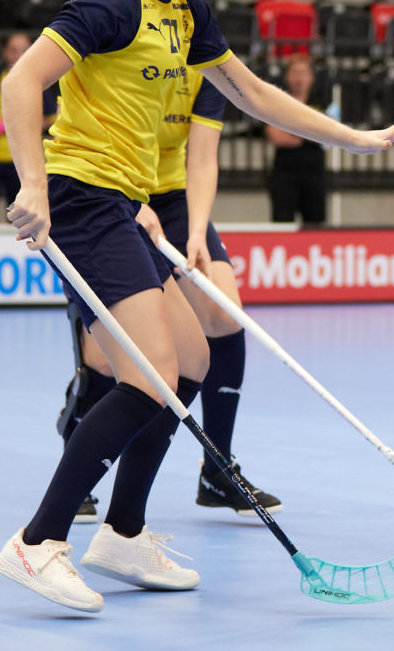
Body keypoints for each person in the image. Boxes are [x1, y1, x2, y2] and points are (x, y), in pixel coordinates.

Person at [0, 0, 394, 614]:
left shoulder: (184, 9)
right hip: (79, 198)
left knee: (187, 365)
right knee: (150, 374)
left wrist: (353, 138)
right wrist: (31, 185)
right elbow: (21, 81)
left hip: (124, 202)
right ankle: (38, 540)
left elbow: (248, 91)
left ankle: (122, 532)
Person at [60, 53, 283, 525]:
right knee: (108, 359)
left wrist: (197, 231)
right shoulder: (129, 43)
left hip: (175, 198)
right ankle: (77, 455)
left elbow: (201, 158)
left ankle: (217, 469)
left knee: (223, 315)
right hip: (113, 190)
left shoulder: (203, 57)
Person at [0, 32, 58, 224]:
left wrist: (18, 121)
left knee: (21, 219)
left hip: (22, 161)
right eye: (13, 51)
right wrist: (28, 120)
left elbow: (53, 120)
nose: (19, 56)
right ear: (5, 54)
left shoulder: (41, 85)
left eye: (24, 51)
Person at [266, 53, 327, 225]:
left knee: (315, 224)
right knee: (282, 222)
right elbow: (275, 136)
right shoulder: (278, 102)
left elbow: (326, 136)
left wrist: (291, 129)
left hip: (314, 171)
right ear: (287, 77)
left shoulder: (322, 103)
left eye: (303, 73)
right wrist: (309, 132)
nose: (299, 78)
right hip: (284, 172)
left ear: (311, 77)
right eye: (295, 73)